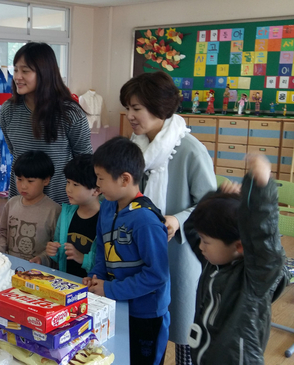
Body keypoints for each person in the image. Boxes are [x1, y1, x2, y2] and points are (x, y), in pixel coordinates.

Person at [121, 71, 216, 365]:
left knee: (182, 328)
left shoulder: (189, 150)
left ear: (159, 108)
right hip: (139, 246)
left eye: (136, 108)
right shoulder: (134, 146)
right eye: (128, 108)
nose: (130, 116)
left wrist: (178, 218)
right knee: (144, 324)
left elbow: (211, 206)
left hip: (178, 252)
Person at [185, 154, 289, 365]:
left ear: (239, 245)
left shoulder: (255, 278)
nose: (200, 246)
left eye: (206, 241)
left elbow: (263, 237)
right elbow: (191, 229)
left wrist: (261, 189)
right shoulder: (213, 261)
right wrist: (215, 197)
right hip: (204, 356)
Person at [86, 136, 170, 365]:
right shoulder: (107, 207)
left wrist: (110, 288)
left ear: (125, 179)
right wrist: (97, 277)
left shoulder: (145, 220)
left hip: (145, 314)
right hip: (116, 304)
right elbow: (103, 248)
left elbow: (157, 275)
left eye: (101, 179)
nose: (97, 185)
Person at [0, 42, 92, 205]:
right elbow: (15, 151)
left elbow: (84, 161)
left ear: (45, 73)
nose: (17, 77)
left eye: (25, 71)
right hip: (21, 203)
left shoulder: (69, 113)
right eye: (15, 70)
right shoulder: (9, 110)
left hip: (60, 204)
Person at [0, 150, 61, 265]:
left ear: (46, 180)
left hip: (37, 272)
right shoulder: (11, 203)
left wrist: (42, 258)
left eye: (30, 181)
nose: (23, 186)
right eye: (19, 179)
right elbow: (2, 232)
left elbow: (56, 246)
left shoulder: (54, 210)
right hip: (8, 266)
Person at [46, 155, 100, 278]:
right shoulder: (66, 214)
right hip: (67, 281)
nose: (68, 189)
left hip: (92, 286)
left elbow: (106, 263)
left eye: (75, 185)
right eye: (68, 182)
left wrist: (82, 258)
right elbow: (60, 252)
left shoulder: (105, 219)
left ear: (96, 190)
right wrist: (53, 251)